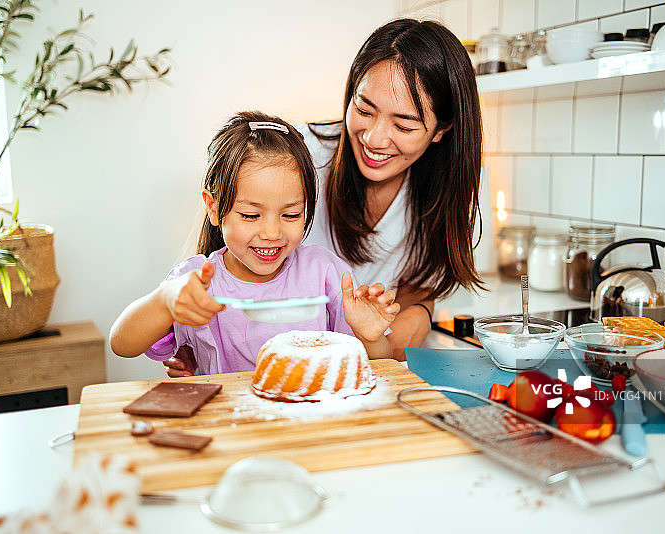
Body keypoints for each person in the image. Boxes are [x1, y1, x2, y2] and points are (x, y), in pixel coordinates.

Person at [110, 111, 399, 375]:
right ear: (213, 207)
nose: (272, 232)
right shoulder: (196, 283)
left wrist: (371, 337)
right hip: (230, 426)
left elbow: (381, 369)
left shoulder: (323, 272)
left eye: (291, 214)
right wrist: (164, 301)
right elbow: (122, 344)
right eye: (251, 215)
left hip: (310, 423)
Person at [300, 18, 485, 360]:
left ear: (442, 129)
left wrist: (419, 313)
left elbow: (419, 280)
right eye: (363, 109)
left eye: (403, 125)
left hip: (367, 373)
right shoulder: (299, 157)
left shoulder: (443, 184)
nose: (373, 138)